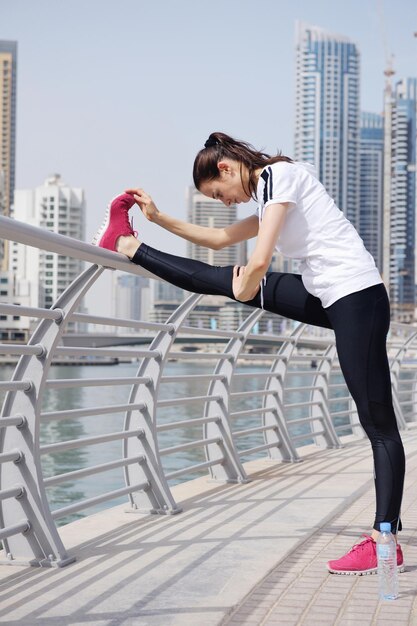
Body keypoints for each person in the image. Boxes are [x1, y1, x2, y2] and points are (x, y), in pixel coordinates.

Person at [93, 131, 405, 575]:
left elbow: (257, 262)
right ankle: (126, 243)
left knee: (378, 424)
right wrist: (158, 218)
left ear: (227, 168)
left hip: (358, 298)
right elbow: (219, 239)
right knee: (218, 277)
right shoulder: (270, 191)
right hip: (329, 295)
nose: (223, 202)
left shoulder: (279, 176)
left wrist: (244, 285)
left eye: (219, 193)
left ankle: (384, 539)